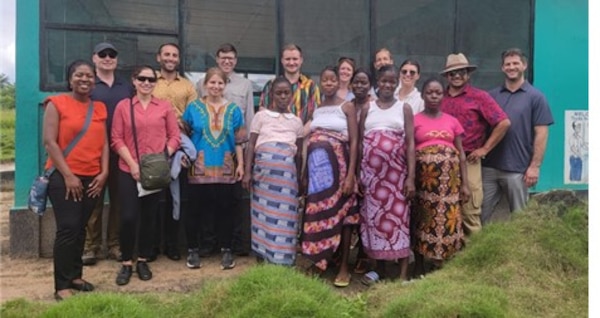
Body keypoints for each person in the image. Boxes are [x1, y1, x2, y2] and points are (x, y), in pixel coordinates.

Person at [44, 60, 109, 300]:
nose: (85, 79)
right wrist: (69, 175)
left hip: (93, 177)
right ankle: (61, 285)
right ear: (70, 79)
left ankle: (75, 275)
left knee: (81, 228)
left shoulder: (100, 108)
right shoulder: (56, 104)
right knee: (68, 229)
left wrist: (104, 173)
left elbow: (103, 144)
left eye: (89, 76)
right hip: (64, 177)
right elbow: (50, 142)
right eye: (79, 75)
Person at [111, 65, 181, 285]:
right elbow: (116, 138)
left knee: (149, 217)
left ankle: (142, 259)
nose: (146, 83)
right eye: (142, 79)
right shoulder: (124, 106)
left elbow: (174, 136)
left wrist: (163, 157)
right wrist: (132, 164)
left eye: (151, 80)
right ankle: (126, 262)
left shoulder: (164, 107)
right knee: (129, 217)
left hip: (155, 172)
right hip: (128, 169)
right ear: (134, 80)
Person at [182, 67, 247, 270]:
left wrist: (241, 165)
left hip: (226, 167)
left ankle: (226, 250)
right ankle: (193, 250)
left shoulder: (234, 110)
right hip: (198, 167)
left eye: (220, 83)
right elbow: (183, 135)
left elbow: (239, 141)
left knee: (226, 210)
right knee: (195, 210)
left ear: (225, 85)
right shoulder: (193, 108)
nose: (216, 86)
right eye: (212, 82)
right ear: (204, 84)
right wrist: (183, 155)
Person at [440, 53, 510, 235]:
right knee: (445, 209)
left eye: (461, 72)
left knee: (470, 209)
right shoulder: (440, 98)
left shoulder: (480, 97)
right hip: (444, 160)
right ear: (447, 76)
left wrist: (485, 149)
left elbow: (503, 122)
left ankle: (474, 257)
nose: (456, 76)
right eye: (452, 73)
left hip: (470, 159)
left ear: (468, 74)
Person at [301, 66, 359, 288]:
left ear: (338, 82)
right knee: (318, 216)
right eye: (324, 80)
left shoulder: (347, 106)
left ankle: (344, 266)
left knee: (343, 217)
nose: (328, 83)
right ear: (320, 83)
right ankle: (318, 261)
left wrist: (351, 175)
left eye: (332, 79)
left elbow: (354, 142)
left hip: (340, 172)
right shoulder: (317, 108)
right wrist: (305, 175)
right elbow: (311, 140)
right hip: (317, 179)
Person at [481, 48, 553, 224]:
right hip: (488, 168)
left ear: (524, 65)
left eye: (515, 63)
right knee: (478, 217)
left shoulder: (536, 97)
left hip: (517, 170)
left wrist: (534, 166)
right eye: (508, 64)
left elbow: (541, 134)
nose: (511, 67)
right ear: (502, 68)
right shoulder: (491, 96)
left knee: (519, 219)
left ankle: (521, 252)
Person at [359, 65, 415, 285]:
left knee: (399, 221)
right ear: (377, 82)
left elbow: (410, 144)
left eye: (392, 81)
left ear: (397, 83)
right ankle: (379, 270)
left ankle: (401, 274)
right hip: (372, 179)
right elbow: (361, 144)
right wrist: (357, 176)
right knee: (375, 222)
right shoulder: (367, 108)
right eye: (384, 81)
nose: (388, 85)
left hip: (397, 178)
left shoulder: (404, 108)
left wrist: (411, 177)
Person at [197, 43, 255, 257]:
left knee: (232, 202)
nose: (227, 61)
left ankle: (234, 244)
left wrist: (246, 157)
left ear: (236, 60)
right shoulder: (201, 84)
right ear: (217, 58)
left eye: (231, 58)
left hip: (234, 151)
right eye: (223, 58)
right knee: (208, 200)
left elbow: (247, 119)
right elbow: (197, 116)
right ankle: (208, 242)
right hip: (208, 151)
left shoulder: (245, 85)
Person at [242, 77, 304, 266]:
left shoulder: (296, 121)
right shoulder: (261, 116)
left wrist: (301, 179)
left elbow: (299, 154)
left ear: (292, 95)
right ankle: (263, 255)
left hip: (287, 181)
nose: (283, 96)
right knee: (263, 216)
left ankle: (283, 259)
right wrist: (247, 172)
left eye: (286, 93)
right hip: (263, 177)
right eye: (279, 93)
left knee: (285, 217)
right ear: (271, 95)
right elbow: (251, 145)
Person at [82, 42, 133, 266]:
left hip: (121, 151)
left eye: (112, 54)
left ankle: (114, 245)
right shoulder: (89, 85)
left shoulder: (126, 86)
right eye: (103, 54)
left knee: (119, 201)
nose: (107, 58)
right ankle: (90, 247)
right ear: (94, 58)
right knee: (93, 199)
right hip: (94, 151)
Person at [412, 78, 468, 276]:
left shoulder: (453, 121)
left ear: (442, 96)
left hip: (449, 187)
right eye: (429, 92)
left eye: (437, 92)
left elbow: (461, 154)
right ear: (423, 95)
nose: (434, 96)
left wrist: (465, 185)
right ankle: (418, 265)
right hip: (424, 185)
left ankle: (443, 265)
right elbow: (409, 150)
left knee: (448, 222)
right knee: (421, 219)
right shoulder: (414, 120)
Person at [151, 42, 198, 261]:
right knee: (153, 194)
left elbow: (194, 117)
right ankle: (151, 246)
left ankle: (172, 245)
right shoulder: (150, 81)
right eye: (166, 54)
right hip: (153, 143)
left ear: (178, 59)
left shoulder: (188, 86)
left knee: (176, 197)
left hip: (179, 142)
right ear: (158, 57)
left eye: (174, 55)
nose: (170, 58)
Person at [349, 68, 375, 275]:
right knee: (349, 210)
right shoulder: (345, 107)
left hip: (367, 165)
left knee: (366, 211)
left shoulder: (374, 107)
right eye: (356, 82)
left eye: (364, 82)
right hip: (346, 164)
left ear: (370, 85)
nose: (359, 85)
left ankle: (363, 255)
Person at [259, 44, 320, 128]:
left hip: (303, 137)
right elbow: (263, 112)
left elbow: (315, 116)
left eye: (295, 59)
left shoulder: (311, 86)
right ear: (282, 61)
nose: (291, 63)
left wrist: (300, 135)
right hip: (275, 135)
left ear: (301, 60)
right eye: (288, 59)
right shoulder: (271, 85)